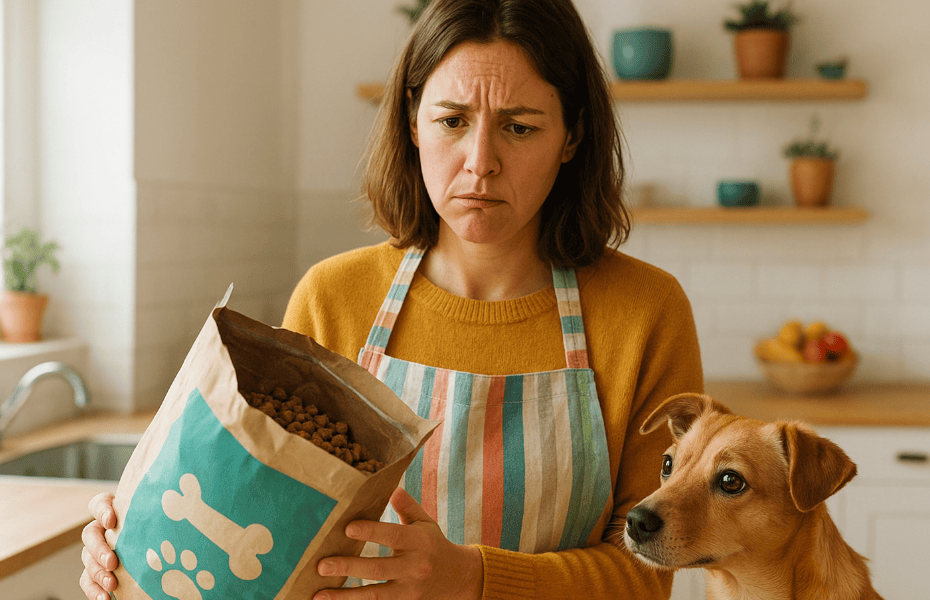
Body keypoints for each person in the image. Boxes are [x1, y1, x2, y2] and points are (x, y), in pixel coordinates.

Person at [79, 0, 703, 598]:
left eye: (519, 127)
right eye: (452, 121)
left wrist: (473, 580)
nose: (480, 162)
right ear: (412, 121)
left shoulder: (645, 313)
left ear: (572, 136)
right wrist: (138, 539)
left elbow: (648, 574)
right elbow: (261, 536)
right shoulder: (332, 299)